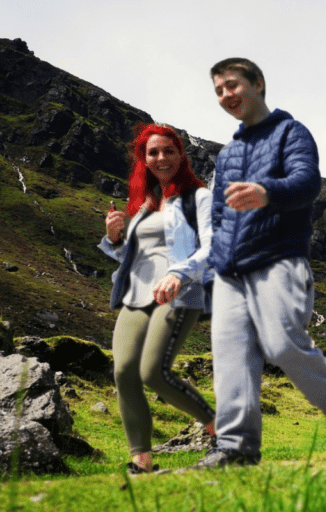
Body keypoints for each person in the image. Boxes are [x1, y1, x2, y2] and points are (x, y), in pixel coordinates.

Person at [192, 57, 326, 469]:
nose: (225, 96)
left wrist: (267, 192)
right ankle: (237, 448)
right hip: (231, 271)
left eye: (231, 85)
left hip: (278, 259)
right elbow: (216, 219)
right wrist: (212, 275)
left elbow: (307, 184)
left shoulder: (292, 132)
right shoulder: (229, 153)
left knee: (281, 343)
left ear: (258, 83)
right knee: (231, 354)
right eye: (218, 91)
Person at [99, 123, 216, 474]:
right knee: (124, 372)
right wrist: (115, 238)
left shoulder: (199, 198)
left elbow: (213, 247)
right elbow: (134, 257)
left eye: (168, 150)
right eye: (153, 152)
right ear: (144, 159)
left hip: (179, 294)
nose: (161, 157)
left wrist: (179, 273)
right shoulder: (144, 204)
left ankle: (219, 428)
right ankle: (142, 462)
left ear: (181, 155)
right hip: (136, 294)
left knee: (153, 371)